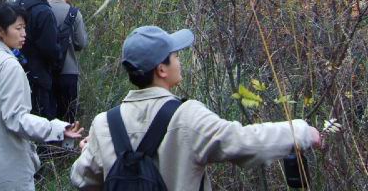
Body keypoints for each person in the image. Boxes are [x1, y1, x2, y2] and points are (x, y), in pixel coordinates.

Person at [70, 25, 322, 190]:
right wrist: (300, 132)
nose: (179, 60)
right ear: (161, 69)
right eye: (175, 55)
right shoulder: (187, 116)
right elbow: (244, 142)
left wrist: (92, 150)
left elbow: (81, 178)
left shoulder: (104, 123)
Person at [0, 4, 84, 191]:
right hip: (9, 168)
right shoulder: (9, 66)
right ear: (0, 31)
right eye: (18, 28)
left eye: (24, 27)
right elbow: (16, 119)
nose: (24, 33)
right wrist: (55, 129)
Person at [18, 0, 60, 119]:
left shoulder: (20, 4)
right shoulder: (44, 12)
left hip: (19, 70)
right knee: (41, 119)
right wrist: (59, 53)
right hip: (38, 76)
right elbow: (50, 49)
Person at [49, 0, 88, 122]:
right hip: (68, 71)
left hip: (46, 72)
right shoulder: (74, 13)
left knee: (47, 116)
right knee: (67, 117)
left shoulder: (43, 8)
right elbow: (81, 43)